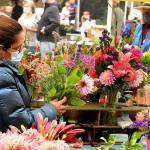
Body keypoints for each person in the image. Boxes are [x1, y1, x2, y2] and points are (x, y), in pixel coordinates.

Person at [0, 16, 67, 132]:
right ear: (1, 49)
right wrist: (51, 109)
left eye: (22, 47)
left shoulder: (6, 69)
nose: (21, 52)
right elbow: (21, 121)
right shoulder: (2, 75)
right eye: (17, 48)